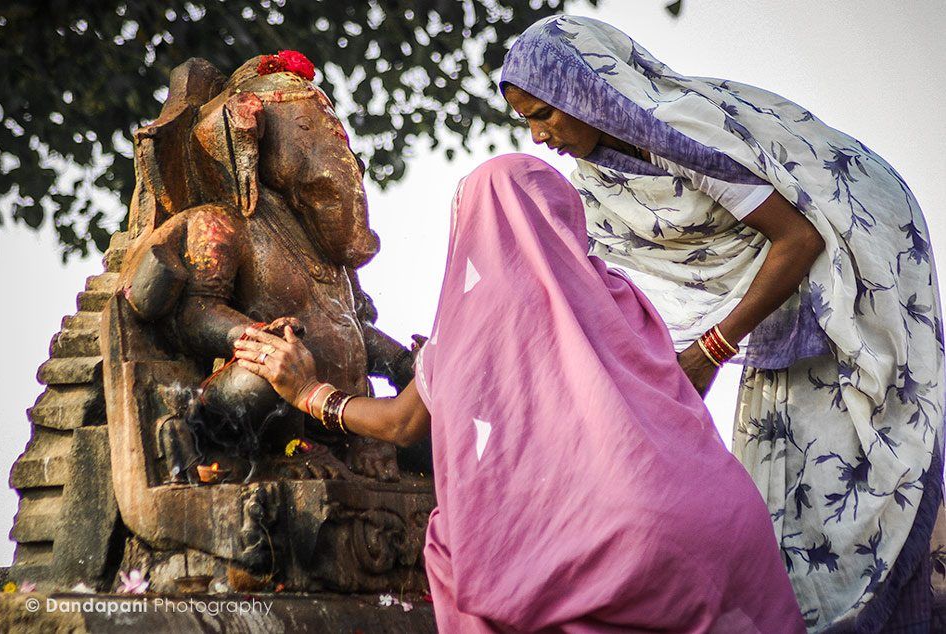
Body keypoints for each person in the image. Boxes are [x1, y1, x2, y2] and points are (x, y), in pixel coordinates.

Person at [500, 15, 944, 632]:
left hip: (857, 272)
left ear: (582, 92)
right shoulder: (600, 184)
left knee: (868, 473)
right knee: (785, 488)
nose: (537, 135)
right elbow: (587, 286)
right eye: (525, 120)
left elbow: (799, 236)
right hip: (782, 314)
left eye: (543, 114)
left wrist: (709, 350)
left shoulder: (680, 128)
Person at [233, 154, 804, 632]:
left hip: (621, 544)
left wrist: (308, 391)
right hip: (723, 521)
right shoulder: (618, 295)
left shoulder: (478, 316)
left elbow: (401, 426)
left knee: (453, 546)